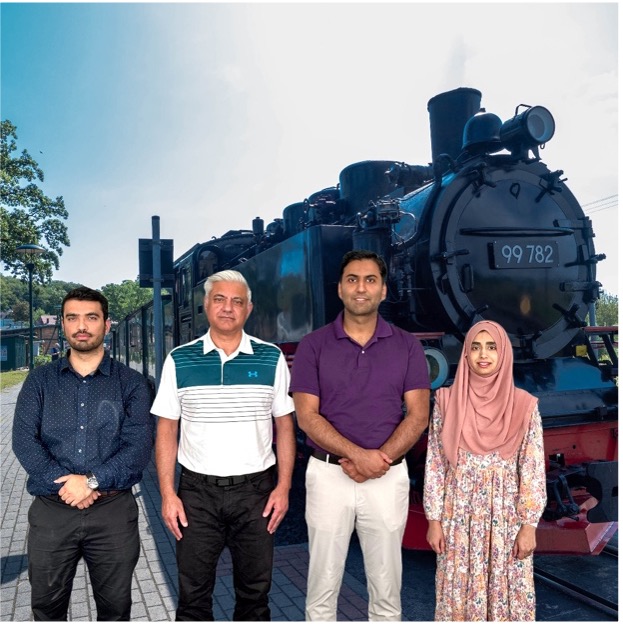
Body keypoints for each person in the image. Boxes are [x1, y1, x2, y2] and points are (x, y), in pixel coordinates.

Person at [290, 250, 431, 621]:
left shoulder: (407, 346)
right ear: (339, 289)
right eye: (352, 279)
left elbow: (418, 416)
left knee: (386, 592)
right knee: (322, 589)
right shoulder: (313, 346)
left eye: (370, 280)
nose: (361, 288)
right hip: (327, 477)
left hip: (387, 478)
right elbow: (306, 417)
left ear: (384, 290)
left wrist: (377, 461)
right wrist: (362, 456)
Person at [152, 269, 296, 621]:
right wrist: (168, 495)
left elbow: (286, 426)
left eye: (237, 301)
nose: (228, 308)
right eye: (219, 299)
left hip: (256, 495)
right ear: (206, 305)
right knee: (193, 596)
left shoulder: (271, 358)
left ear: (249, 309)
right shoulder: (179, 359)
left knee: (255, 594)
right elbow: (166, 431)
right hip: (197, 495)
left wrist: (283, 487)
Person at [12, 286, 155, 621]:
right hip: (51, 510)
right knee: (46, 607)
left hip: (113, 512)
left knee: (115, 608)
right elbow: (23, 440)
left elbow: (138, 447)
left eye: (91, 317)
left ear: (106, 325)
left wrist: (90, 481)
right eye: (72, 317)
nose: (81, 325)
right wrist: (66, 484)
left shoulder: (131, 383)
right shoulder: (40, 381)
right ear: (62, 324)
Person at [423, 320, 547, 621]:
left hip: (506, 520)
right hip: (458, 519)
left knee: (506, 595)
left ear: (503, 353)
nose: (483, 354)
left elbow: (532, 468)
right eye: (475, 347)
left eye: (492, 347)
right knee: (460, 597)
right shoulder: (447, 402)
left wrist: (529, 525)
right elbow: (436, 464)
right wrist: (434, 520)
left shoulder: (524, 405)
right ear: (465, 354)